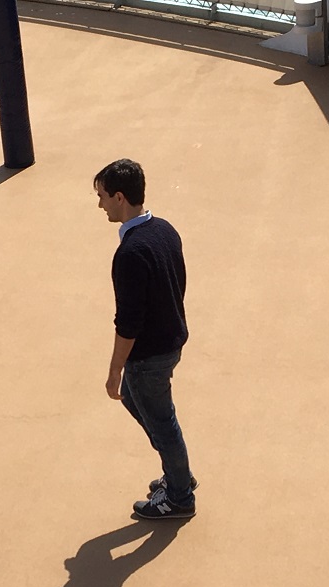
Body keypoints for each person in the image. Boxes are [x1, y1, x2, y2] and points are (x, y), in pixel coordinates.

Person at [94, 158, 197, 519]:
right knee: (155, 415)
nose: (100, 204)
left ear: (120, 197)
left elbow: (128, 324)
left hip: (149, 356)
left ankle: (180, 495)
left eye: (103, 196)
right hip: (171, 341)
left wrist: (114, 371)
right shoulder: (166, 230)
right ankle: (178, 473)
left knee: (161, 421)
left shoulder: (130, 254)